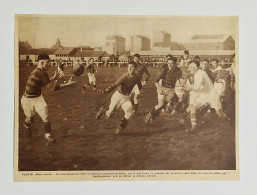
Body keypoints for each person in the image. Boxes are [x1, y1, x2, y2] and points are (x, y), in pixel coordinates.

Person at [21, 54, 77, 143]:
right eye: (48, 62)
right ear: (42, 62)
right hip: (27, 100)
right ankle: (26, 124)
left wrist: (53, 78)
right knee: (30, 120)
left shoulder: (38, 71)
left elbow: (42, 83)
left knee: (45, 116)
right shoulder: (41, 73)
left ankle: (48, 137)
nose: (49, 64)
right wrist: (67, 85)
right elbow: (52, 88)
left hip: (38, 98)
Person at [95, 61, 143, 133]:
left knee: (129, 112)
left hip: (126, 97)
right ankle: (103, 110)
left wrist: (141, 89)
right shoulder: (124, 77)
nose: (129, 68)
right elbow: (115, 85)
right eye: (128, 66)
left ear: (135, 69)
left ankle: (120, 128)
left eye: (132, 67)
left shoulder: (137, 77)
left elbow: (139, 84)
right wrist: (107, 90)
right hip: (118, 95)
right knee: (110, 113)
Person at [182, 60, 224, 132]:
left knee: (220, 114)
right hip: (204, 95)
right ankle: (194, 127)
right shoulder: (197, 74)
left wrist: (187, 88)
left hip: (212, 95)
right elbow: (198, 87)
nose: (189, 69)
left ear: (196, 67)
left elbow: (197, 87)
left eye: (191, 67)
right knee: (193, 106)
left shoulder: (200, 74)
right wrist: (187, 87)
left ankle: (228, 120)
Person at [145, 57, 182, 124]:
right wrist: (159, 89)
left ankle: (152, 116)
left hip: (171, 90)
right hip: (163, 88)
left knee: (163, 105)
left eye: (172, 63)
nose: (170, 65)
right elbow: (156, 81)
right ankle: (150, 114)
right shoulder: (165, 70)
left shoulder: (179, 70)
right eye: (168, 63)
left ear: (175, 64)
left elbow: (180, 79)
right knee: (160, 104)